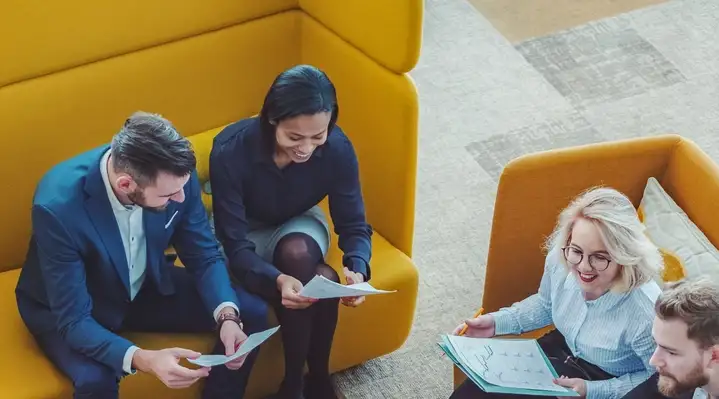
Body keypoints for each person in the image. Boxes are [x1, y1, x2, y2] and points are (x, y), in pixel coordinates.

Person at [15, 112, 268, 399]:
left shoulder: (175, 178)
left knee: (250, 312)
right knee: (96, 380)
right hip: (69, 309)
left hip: (143, 283)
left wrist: (226, 317)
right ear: (126, 185)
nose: (180, 200)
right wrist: (146, 359)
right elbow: (74, 321)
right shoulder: (57, 208)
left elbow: (205, 255)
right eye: (167, 196)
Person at [208, 64, 372, 399]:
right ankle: (311, 383)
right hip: (241, 233)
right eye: (294, 137)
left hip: (299, 222)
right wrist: (276, 279)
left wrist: (358, 267)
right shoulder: (230, 150)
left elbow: (353, 224)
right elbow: (235, 245)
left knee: (298, 254)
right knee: (320, 275)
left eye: (318, 136)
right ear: (271, 119)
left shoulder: (338, 149)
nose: (306, 148)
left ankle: (297, 383)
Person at [449, 187, 664, 399]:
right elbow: (546, 304)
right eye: (577, 251)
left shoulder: (646, 311)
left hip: (608, 380)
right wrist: (496, 323)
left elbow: (658, 380)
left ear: (624, 256)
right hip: (557, 350)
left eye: (599, 257)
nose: (583, 267)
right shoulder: (562, 258)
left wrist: (594, 391)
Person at [621, 278, 719, 399]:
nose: (653, 361)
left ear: (714, 355)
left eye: (671, 352)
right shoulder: (679, 377)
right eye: (656, 343)